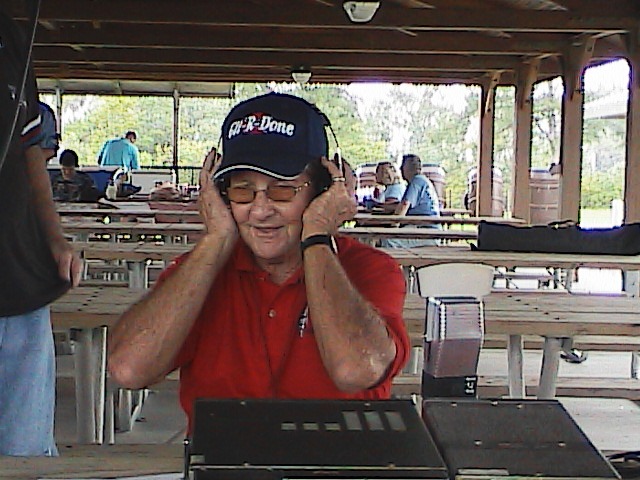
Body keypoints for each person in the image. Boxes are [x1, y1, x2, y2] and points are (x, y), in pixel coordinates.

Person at [108, 92, 409, 432]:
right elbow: (129, 369)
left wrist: (317, 237)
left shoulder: (371, 269)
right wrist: (215, 240)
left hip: (341, 458)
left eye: (282, 190)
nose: (261, 210)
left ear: (322, 191)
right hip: (226, 458)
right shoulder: (200, 271)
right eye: (242, 191)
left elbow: (356, 370)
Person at [0, 8, 83, 456]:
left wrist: (54, 236)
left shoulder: (11, 34)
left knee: (25, 449)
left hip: (18, 280)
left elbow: (30, 149)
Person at [381, 153, 441, 248]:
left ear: (409, 168)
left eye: (403, 166)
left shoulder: (417, 181)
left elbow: (404, 205)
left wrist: (393, 225)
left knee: (388, 241)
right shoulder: (421, 180)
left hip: (427, 232)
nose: (400, 169)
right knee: (386, 238)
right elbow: (401, 204)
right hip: (423, 228)